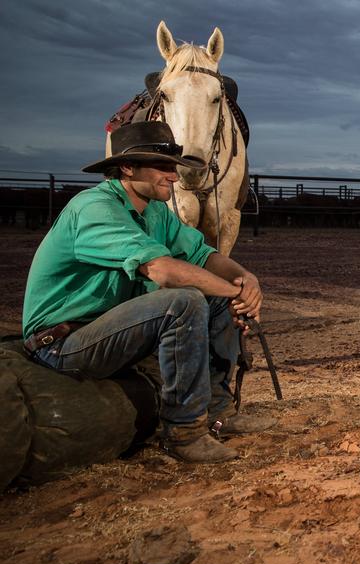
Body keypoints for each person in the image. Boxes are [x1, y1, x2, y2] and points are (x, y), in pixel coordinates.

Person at [21, 121, 274, 463]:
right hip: (62, 343)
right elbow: (164, 271)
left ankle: (219, 413)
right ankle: (184, 434)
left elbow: (204, 254)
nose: (174, 176)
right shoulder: (93, 208)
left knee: (207, 294)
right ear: (127, 167)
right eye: (163, 167)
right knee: (183, 300)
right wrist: (235, 293)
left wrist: (246, 279)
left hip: (104, 329)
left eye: (174, 167)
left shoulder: (155, 211)